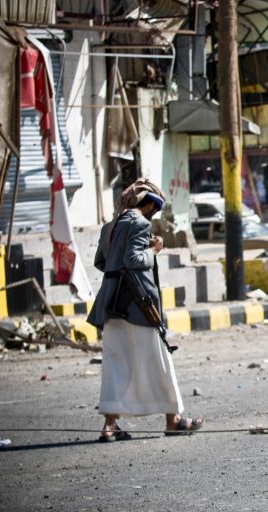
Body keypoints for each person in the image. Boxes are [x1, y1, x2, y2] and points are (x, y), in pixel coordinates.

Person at [87, 178, 203, 442]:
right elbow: (134, 260)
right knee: (160, 360)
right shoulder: (140, 223)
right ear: (148, 204)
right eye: (155, 209)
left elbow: (101, 262)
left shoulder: (110, 226)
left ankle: (109, 426)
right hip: (138, 306)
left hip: (111, 304)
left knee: (116, 364)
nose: (154, 214)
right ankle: (173, 421)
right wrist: (153, 249)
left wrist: (117, 276)